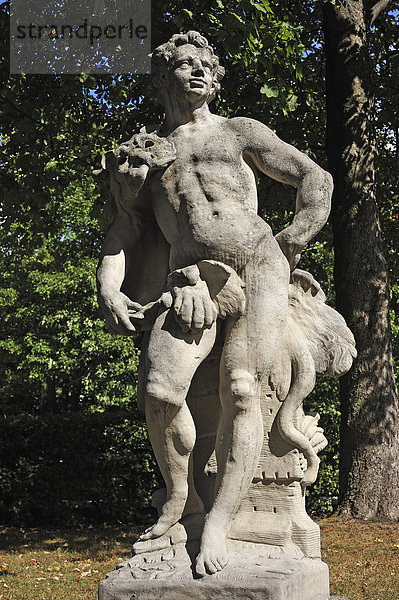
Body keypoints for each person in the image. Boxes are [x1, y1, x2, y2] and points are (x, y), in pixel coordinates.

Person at [96, 30, 333, 576]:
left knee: (244, 390)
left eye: (207, 64)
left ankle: (222, 523)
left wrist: (290, 243)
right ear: (164, 77)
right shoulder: (146, 152)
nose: (199, 71)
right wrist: (109, 286)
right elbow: (122, 232)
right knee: (159, 389)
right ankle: (183, 499)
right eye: (185, 64)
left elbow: (313, 179)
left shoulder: (238, 132)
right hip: (190, 279)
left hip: (260, 263)